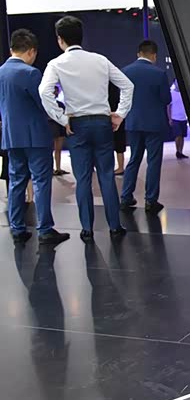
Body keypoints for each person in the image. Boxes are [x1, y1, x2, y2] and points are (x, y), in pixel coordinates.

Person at [39, 15, 134, 242]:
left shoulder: (56, 63)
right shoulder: (100, 60)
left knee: (82, 179)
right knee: (106, 176)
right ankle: (115, 226)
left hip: (77, 125)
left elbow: (44, 92)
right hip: (102, 122)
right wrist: (120, 114)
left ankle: (87, 229)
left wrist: (61, 118)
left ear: (60, 39)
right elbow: (127, 85)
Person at [0, 29, 70, 245]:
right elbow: (43, 103)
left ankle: (17, 228)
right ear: (31, 51)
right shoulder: (30, 73)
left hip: (11, 136)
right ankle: (45, 229)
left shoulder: (1, 71)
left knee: (16, 181)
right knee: (41, 181)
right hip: (35, 137)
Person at [119, 40, 171, 215]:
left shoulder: (125, 71)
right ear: (154, 55)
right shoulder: (159, 73)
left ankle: (126, 197)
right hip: (154, 124)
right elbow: (166, 99)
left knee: (134, 159)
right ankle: (150, 200)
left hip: (133, 122)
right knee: (153, 161)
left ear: (138, 54)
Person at [49, 85, 69, 176]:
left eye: (57, 91)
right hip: (51, 127)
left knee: (58, 149)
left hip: (59, 127)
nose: (56, 93)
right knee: (51, 150)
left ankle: (58, 168)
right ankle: (52, 168)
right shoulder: (47, 104)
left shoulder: (60, 104)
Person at [108, 80, 127, 176]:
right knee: (119, 142)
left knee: (106, 144)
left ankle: (108, 167)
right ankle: (120, 167)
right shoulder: (117, 85)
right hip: (118, 115)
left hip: (105, 115)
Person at [169, 81, 189, 159]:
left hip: (183, 117)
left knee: (182, 136)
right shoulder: (172, 94)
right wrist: (170, 118)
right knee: (178, 135)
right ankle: (177, 151)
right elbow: (169, 107)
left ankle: (181, 152)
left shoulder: (184, 94)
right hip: (175, 118)